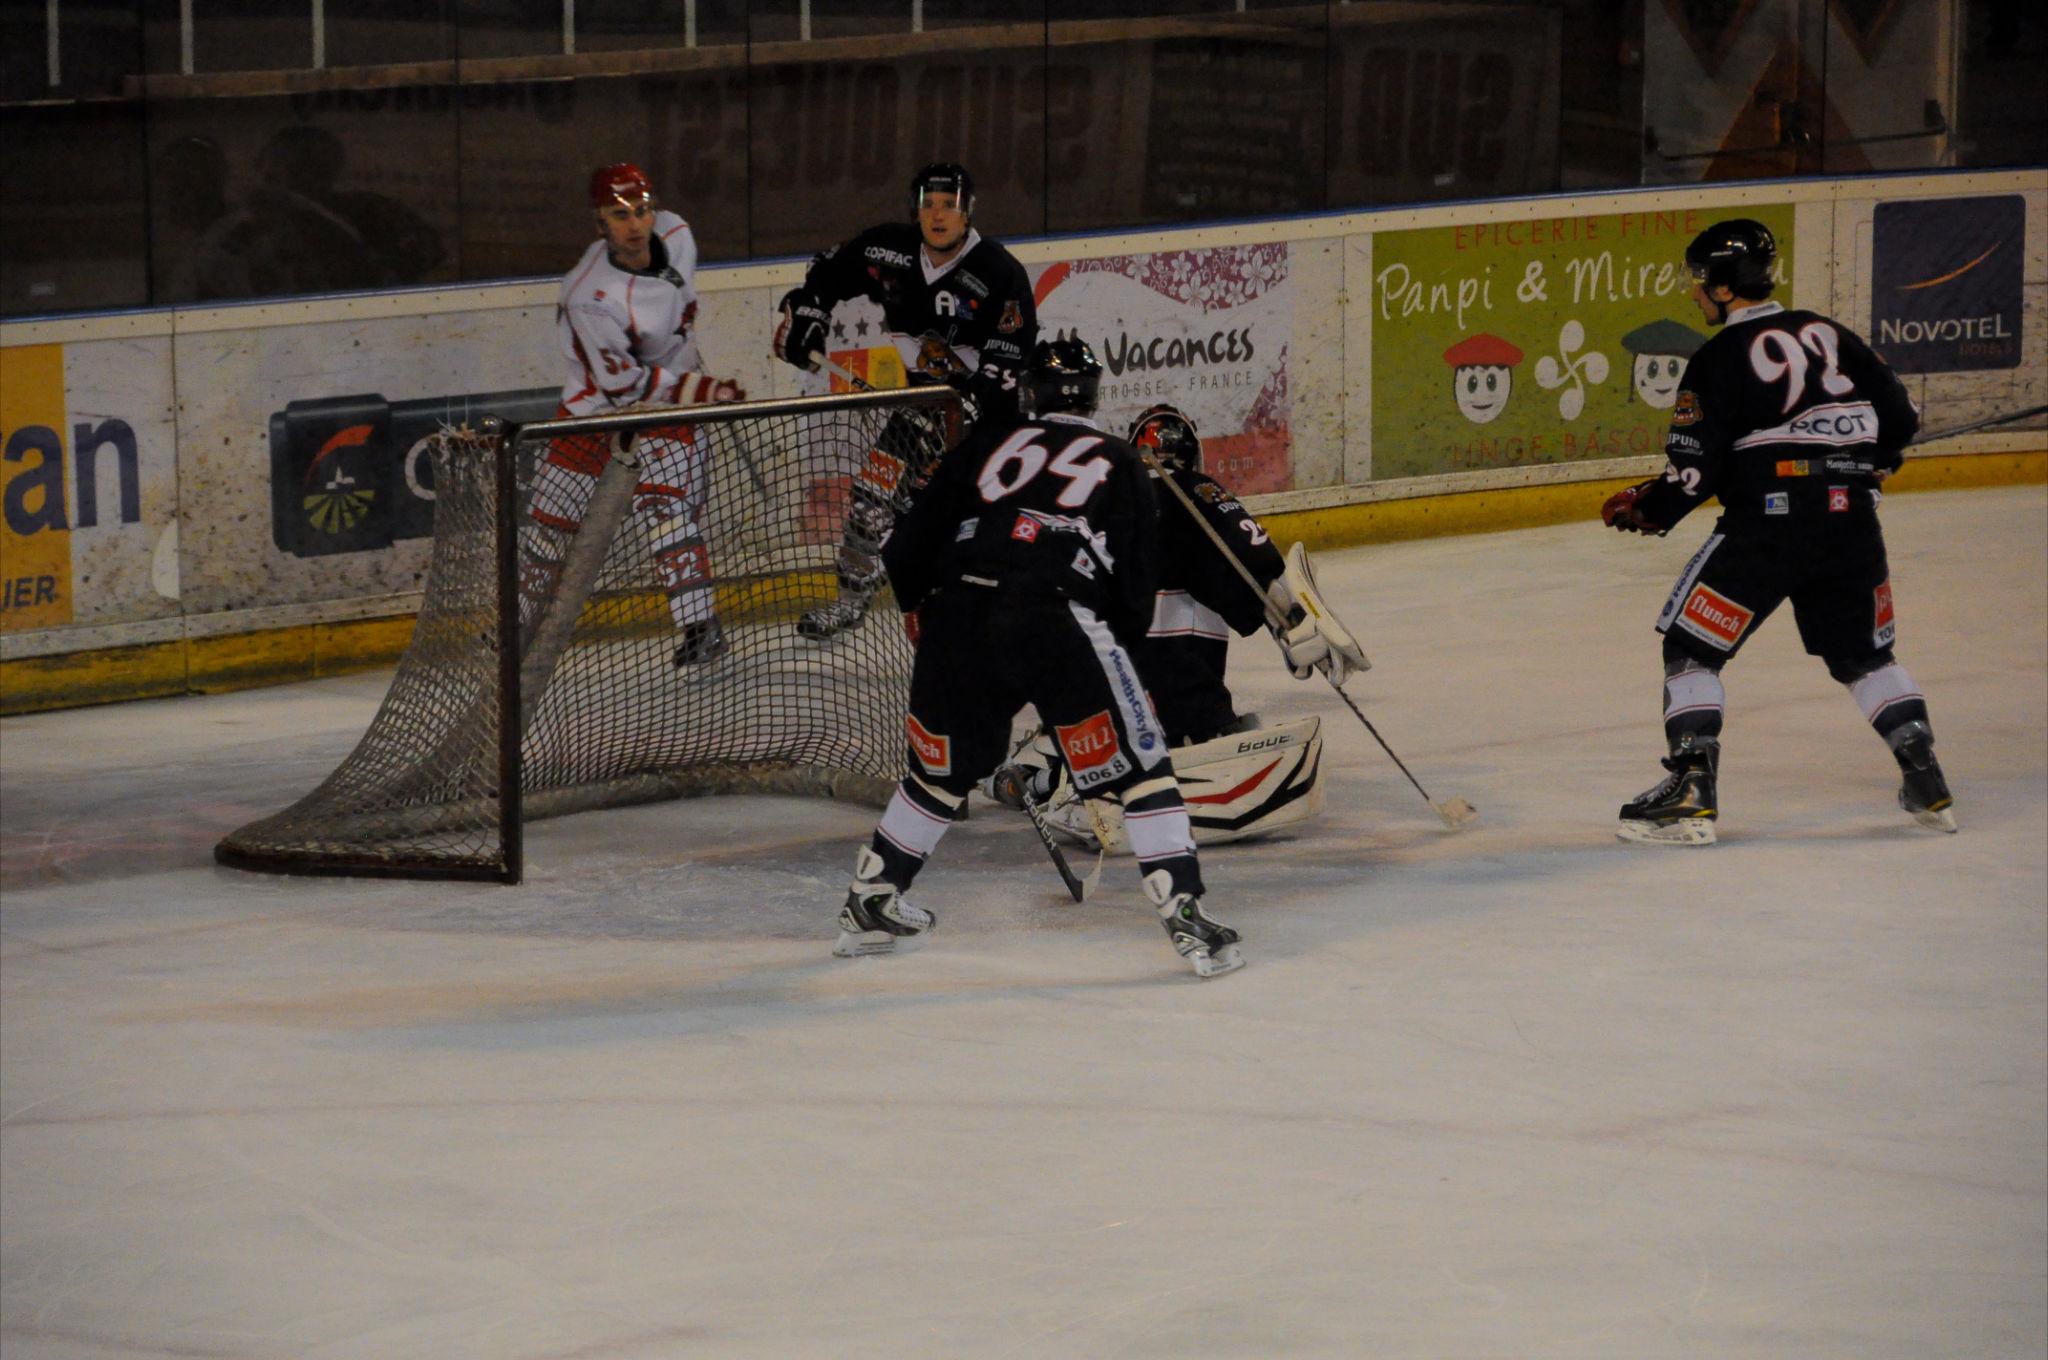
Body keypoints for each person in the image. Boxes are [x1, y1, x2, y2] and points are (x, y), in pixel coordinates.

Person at [829, 339, 1262, 979]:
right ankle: (1186, 913)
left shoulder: (985, 444)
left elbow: (907, 542)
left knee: (940, 771)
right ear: (1093, 397)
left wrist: (922, 608)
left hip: (958, 614)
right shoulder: (1119, 460)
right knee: (1143, 763)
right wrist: (1104, 668)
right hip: (1055, 612)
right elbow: (1134, 590)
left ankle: (873, 897)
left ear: (1029, 393)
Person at [1601, 217, 1952, 844]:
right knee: (1865, 658)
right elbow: (1899, 420)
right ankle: (1927, 780)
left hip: (1766, 531)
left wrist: (1647, 510)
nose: (1694, 292)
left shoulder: (1717, 358)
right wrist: (1875, 460)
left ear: (1723, 288)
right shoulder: (1828, 332)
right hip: (1850, 523)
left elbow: (1693, 472)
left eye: (1700, 281)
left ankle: (1691, 793)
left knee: (1691, 649)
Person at [771, 162, 1038, 639]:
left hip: (990, 420)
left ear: (968, 212)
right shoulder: (888, 250)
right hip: (923, 408)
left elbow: (1009, 357)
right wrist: (808, 313)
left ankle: (1012, 613)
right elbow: (827, 272)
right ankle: (850, 600)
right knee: (870, 499)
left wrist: (972, 405)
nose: (938, 215)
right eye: (928, 205)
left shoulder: (999, 272)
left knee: (982, 524)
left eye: (949, 206)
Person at [522, 163, 747, 666]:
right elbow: (624, 388)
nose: (635, 225)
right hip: (595, 407)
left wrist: (687, 376)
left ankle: (700, 626)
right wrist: (702, 388)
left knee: (665, 511)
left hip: (669, 404)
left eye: (641, 211)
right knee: (550, 525)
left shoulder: (678, 233)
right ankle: (519, 627)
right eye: (619, 215)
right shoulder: (588, 295)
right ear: (599, 222)